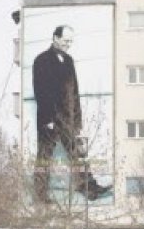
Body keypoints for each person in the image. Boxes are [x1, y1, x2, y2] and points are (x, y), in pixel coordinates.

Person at [32, 25, 109, 202]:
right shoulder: (41, 60)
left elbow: (74, 92)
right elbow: (40, 91)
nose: (69, 44)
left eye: (71, 41)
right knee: (44, 158)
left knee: (77, 154)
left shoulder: (69, 61)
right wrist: (48, 119)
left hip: (68, 119)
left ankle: (88, 188)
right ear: (55, 38)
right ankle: (40, 196)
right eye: (66, 41)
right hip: (49, 119)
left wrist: (78, 121)